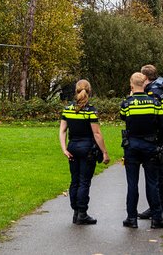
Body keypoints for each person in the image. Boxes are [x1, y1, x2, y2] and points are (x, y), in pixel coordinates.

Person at [120, 72, 163, 230]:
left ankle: (132, 218)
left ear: (131, 84)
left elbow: (124, 118)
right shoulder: (154, 103)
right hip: (150, 146)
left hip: (132, 146)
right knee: (152, 183)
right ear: (145, 83)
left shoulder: (126, 104)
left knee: (132, 184)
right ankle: (156, 218)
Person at [59, 79, 110, 225]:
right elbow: (97, 134)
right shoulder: (91, 110)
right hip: (87, 149)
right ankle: (82, 213)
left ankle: (75, 212)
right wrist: (104, 152)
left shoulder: (68, 109)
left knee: (74, 180)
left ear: (76, 90)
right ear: (89, 90)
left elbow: (62, 130)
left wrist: (64, 149)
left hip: (72, 147)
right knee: (84, 181)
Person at [139, 64, 163, 223]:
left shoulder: (153, 92)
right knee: (154, 173)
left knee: (159, 173)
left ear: (145, 78)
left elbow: (153, 117)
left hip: (158, 138)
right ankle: (155, 206)